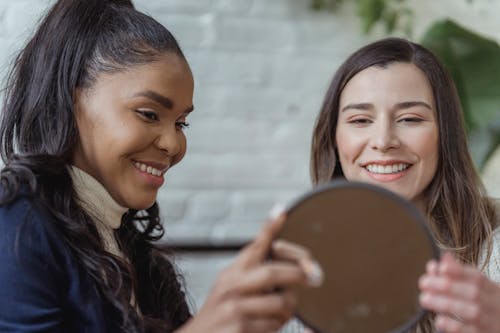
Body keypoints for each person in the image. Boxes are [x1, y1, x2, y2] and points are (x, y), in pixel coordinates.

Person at [0, 0, 323, 332]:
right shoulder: (15, 223)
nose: (173, 145)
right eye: (149, 114)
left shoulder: (142, 260)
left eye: (181, 123)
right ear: (71, 102)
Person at [310, 37, 500, 332]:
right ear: (334, 138)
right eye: (360, 120)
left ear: (444, 134)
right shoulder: (303, 263)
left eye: (410, 119)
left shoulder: (495, 250)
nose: (384, 141)